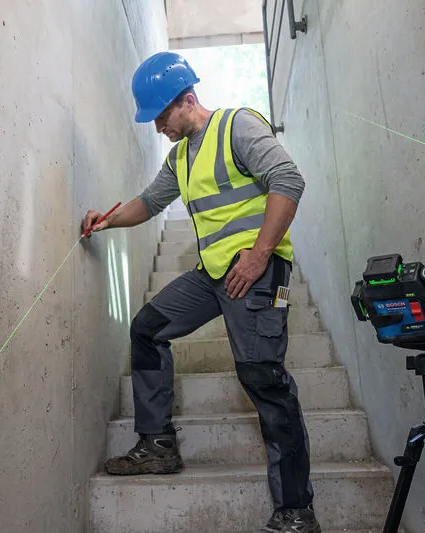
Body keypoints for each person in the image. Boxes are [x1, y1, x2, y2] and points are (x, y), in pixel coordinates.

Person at [81, 51, 321, 533]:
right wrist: (106, 221)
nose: (158, 128)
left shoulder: (238, 127)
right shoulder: (181, 158)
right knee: (147, 328)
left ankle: (296, 510)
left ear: (187, 100)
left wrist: (259, 255)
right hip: (213, 275)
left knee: (264, 380)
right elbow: (150, 203)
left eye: (162, 116)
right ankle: (158, 444)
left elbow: (288, 180)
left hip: (255, 272)